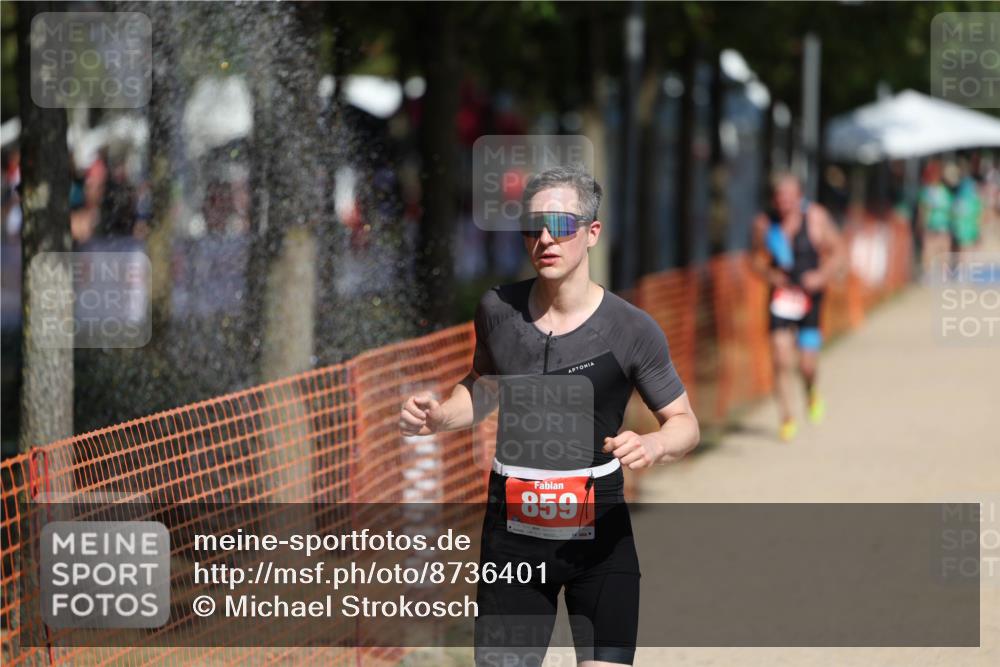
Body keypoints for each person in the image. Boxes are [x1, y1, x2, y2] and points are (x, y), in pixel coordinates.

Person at [399, 165, 699, 666]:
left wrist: (654, 444)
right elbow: (482, 386)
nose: (545, 239)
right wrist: (439, 417)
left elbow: (685, 422)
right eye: (533, 228)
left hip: (599, 536)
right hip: (512, 534)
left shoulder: (631, 329)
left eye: (561, 225)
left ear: (592, 233)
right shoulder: (497, 309)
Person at [752, 173, 845, 442]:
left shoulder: (816, 217)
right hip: (780, 298)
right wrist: (770, 276)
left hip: (810, 299)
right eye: (780, 197)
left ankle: (811, 390)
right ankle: (786, 417)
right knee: (781, 358)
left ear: (799, 196)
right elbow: (754, 259)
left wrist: (822, 276)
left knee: (806, 365)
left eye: (789, 196)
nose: (784, 202)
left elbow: (839, 252)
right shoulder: (764, 223)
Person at [917, 160, 953, 277]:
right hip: (940, 227)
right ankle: (941, 276)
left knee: (931, 252)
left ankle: (931, 275)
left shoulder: (927, 192)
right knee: (939, 253)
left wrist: (920, 225)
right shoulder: (945, 192)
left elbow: (923, 211)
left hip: (934, 227)